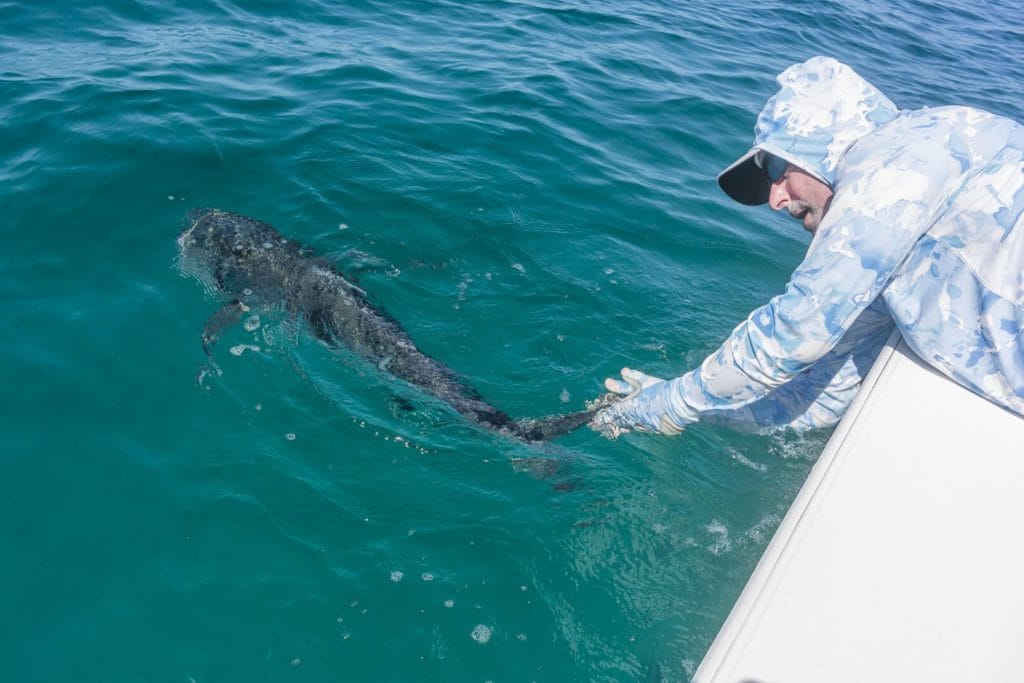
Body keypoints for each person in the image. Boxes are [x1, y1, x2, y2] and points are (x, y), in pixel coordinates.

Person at [592, 56, 1024, 438]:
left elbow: (795, 332)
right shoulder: (898, 230)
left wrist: (674, 402)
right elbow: (821, 394)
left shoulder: (895, 170)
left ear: (828, 144)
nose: (775, 200)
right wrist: (695, 412)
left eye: (779, 169)